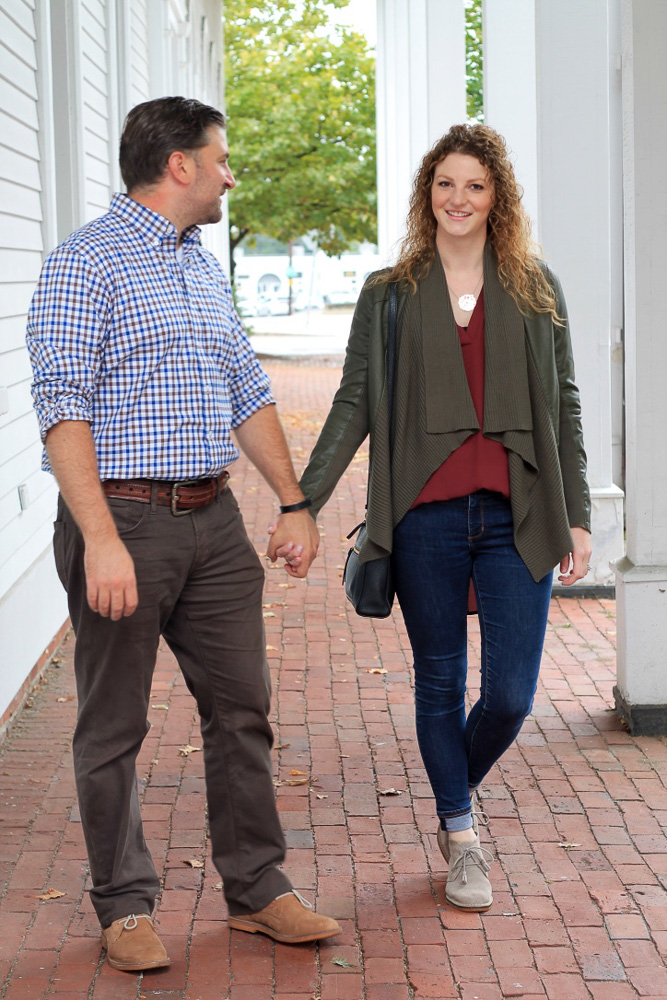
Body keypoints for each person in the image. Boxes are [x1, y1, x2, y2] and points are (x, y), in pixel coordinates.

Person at [26, 96, 341, 971]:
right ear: (180, 166)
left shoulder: (201, 267)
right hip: (122, 519)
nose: (229, 174)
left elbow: (245, 384)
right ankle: (124, 905)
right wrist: (102, 539)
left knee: (242, 708)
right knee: (113, 725)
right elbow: (62, 409)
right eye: (221, 159)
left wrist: (292, 500)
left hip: (216, 526)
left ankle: (258, 889)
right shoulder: (82, 264)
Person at [293, 123, 592, 913]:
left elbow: (563, 405)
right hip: (422, 517)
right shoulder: (388, 292)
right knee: (437, 683)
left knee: (509, 697)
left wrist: (580, 516)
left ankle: (448, 785)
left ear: (498, 198)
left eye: (475, 185)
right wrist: (302, 500)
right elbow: (353, 402)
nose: (458, 199)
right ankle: (461, 834)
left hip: (516, 513)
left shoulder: (534, 288)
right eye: (444, 184)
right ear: (427, 194)